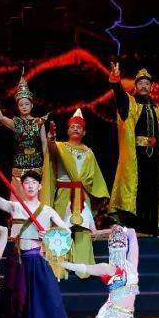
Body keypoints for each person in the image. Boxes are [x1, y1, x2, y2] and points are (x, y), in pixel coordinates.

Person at [0, 159, 80, 318]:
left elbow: (67, 232)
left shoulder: (47, 210)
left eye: (34, 183)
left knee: (52, 297)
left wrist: (49, 234)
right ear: (22, 186)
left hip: (38, 260)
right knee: (10, 299)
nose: (30, 185)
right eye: (26, 182)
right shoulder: (15, 207)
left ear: (39, 187)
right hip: (18, 260)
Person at [40, 108, 109, 265]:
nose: (75, 129)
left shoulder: (89, 152)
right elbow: (51, 150)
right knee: (60, 227)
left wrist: (98, 196)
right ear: (68, 130)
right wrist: (51, 139)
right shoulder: (60, 146)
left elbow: (95, 178)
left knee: (82, 230)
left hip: (82, 195)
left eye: (79, 127)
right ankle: (59, 265)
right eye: (72, 126)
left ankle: (83, 266)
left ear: (84, 132)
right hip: (64, 193)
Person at [108, 64, 159, 234]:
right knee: (137, 190)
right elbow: (119, 96)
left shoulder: (155, 108)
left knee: (152, 190)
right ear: (135, 86)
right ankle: (136, 227)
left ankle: (151, 226)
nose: (143, 86)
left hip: (154, 157)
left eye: (146, 83)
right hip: (137, 156)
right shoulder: (131, 103)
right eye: (140, 83)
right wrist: (116, 81)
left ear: (151, 87)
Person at [0, 73, 47, 195]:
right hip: (19, 168)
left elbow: (44, 143)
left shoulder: (39, 122)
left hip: (37, 167)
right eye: (21, 105)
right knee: (19, 200)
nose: (24, 107)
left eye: (26, 104)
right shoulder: (16, 123)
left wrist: (47, 164)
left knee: (36, 199)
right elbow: (1, 118)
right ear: (18, 107)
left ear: (32, 105)